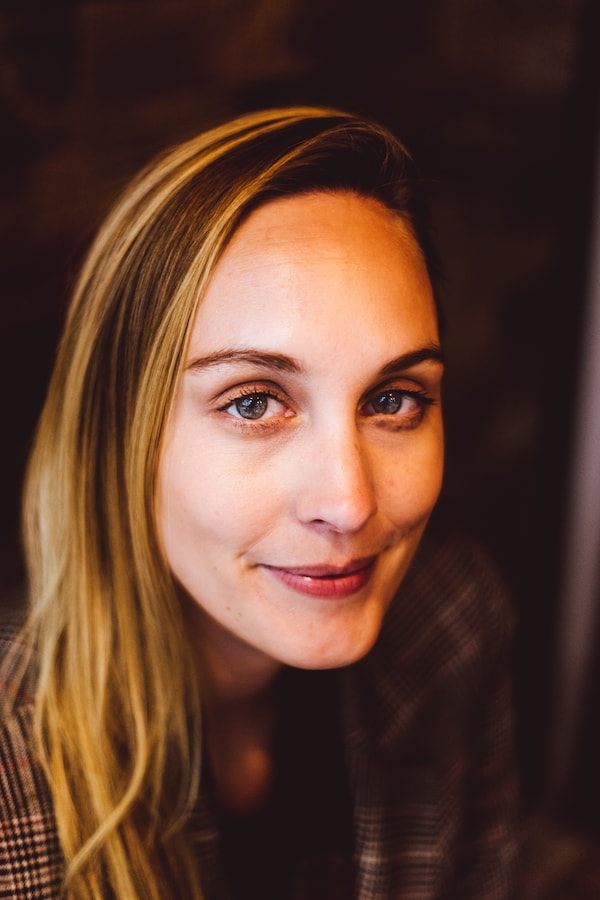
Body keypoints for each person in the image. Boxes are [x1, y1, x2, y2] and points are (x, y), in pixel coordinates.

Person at [0, 106, 518, 899]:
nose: (348, 504)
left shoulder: (452, 624)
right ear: (118, 433)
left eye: (393, 399)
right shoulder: (14, 772)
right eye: (253, 402)